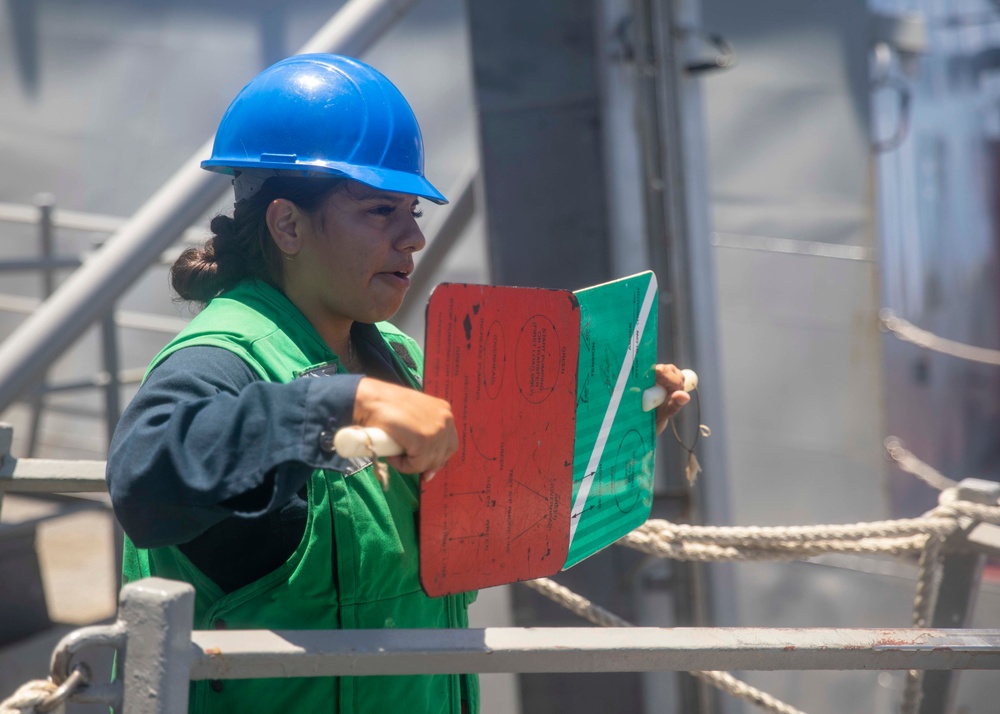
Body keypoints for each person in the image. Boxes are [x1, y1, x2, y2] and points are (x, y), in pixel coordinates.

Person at [106, 54, 690, 714]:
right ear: (288, 224)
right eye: (380, 210)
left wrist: (610, 431)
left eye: (412, 211)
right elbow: (143, 478)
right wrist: (338, 405)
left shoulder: (404, 364)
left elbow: (496, 509)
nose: (412, 237)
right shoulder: (220, 359)